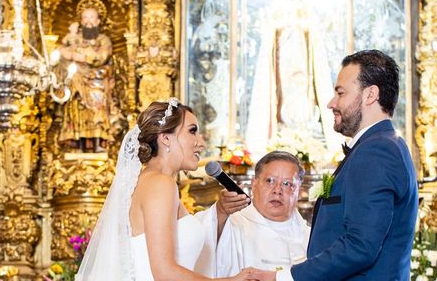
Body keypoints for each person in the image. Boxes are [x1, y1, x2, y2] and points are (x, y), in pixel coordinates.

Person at [75, 99, 274, 280]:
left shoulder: (150, 181)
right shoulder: (160, 184)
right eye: (192, 131)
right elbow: (164, 272)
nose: (201, 142)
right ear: (166, 138)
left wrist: (220, 212)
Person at [276, 49, 418, 280]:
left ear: (370, 95)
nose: (332, 103)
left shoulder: (377, 151)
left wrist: (285, 277)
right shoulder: (377, 146)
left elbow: (360, 246)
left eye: (340, 93)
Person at [196, 151, 310, 276]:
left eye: (287, 184)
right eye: (270, 181)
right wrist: (220, 211)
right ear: (254, 184)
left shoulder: (310, 236)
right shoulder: (231, 225)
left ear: (299, 192)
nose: (277, 190)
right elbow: (200, 247)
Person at [58, 5, 120, 152]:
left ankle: (98, 140)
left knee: (97, 97)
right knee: (74, 98)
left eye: (92, 17)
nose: (88, 21)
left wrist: (83, 57)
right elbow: (61, 52)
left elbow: (102, 57)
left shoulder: (104, 40)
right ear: (81, 21)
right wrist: (71, 53)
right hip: (77, 77)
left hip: (97, 78)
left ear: (98, 21)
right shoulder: (75, 38)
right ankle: (77, 140)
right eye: (85, 18)